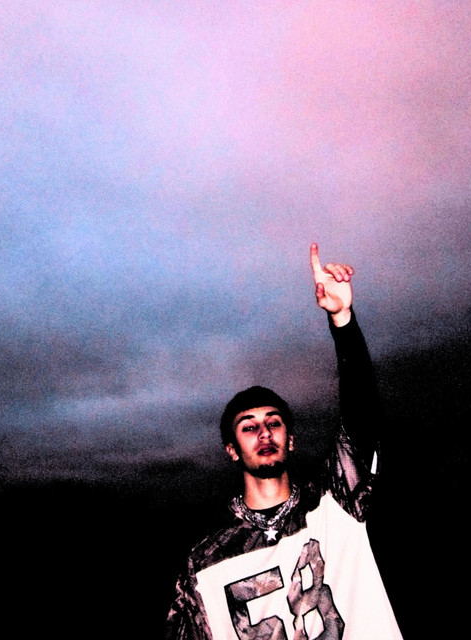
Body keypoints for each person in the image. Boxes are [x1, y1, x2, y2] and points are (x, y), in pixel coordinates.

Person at [165, 243, 403, 639]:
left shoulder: (335, 506)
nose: (264, 433)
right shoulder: (205, 561)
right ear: (231, 449)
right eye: (248, 427)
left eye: (273, 423)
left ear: (290, 440)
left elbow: (362, 418)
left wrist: (342, 321)